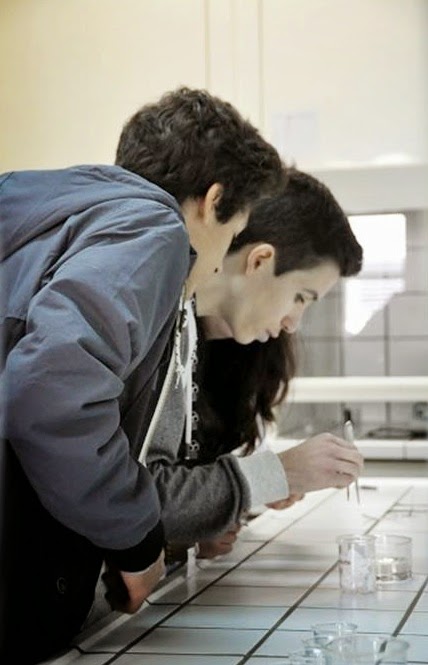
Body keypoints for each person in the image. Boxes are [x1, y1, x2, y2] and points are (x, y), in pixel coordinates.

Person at [0, 86, 285, 663]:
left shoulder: (51, 213)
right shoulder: (152, 229)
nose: (215, 264)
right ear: (212, 200)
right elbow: (50, 397)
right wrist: (136, 538)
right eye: (231, 236)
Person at [144, 168, 365, 562]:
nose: (292, 324)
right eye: (300, 297)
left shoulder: (234, 347)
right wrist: (278, 473)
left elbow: (168, 497)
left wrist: (210, 519)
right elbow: (136, 498)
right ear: (260, 260)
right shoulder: (160, 322)